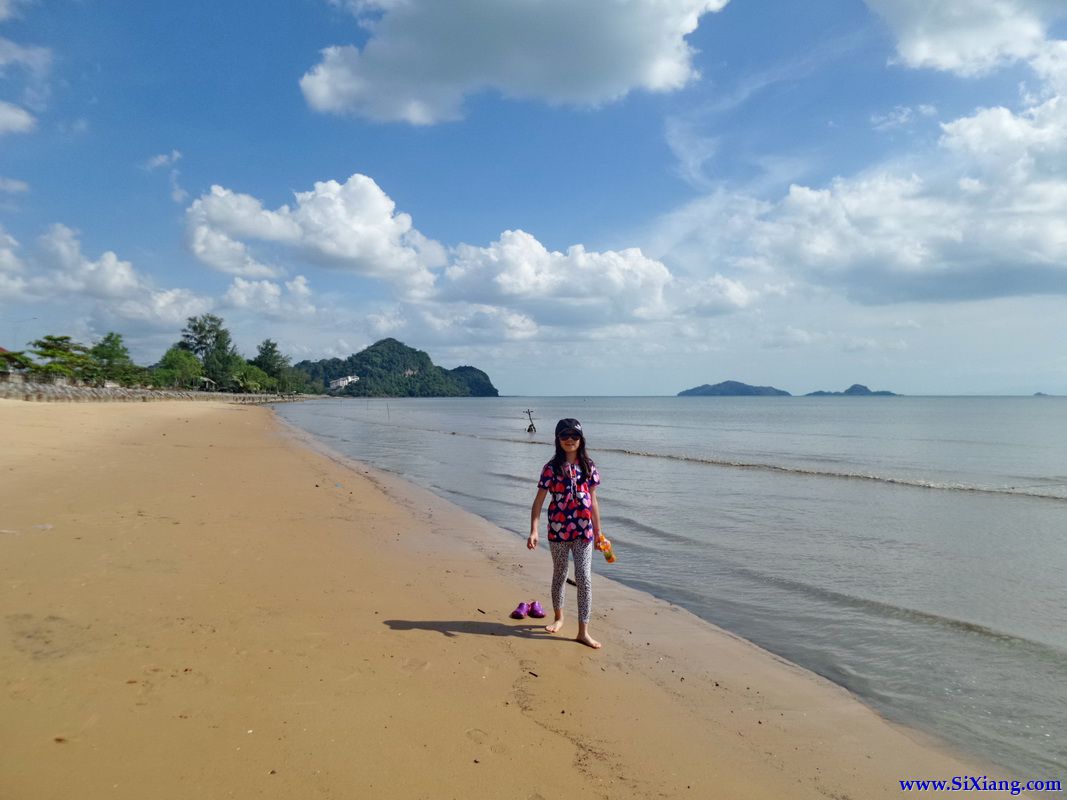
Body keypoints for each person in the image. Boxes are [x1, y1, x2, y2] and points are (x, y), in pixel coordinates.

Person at [527, 418, 603, 649]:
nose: (570, 440)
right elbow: (538, 501)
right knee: (560, 574)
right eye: (564, 436)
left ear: (581, 439)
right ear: (557, 439)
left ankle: (583, 631)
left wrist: (599, 533)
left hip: (584, 532)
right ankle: (559, 618)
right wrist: (533, 530)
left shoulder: (588, 466)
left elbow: (593, 502)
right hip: (558, 532)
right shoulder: (551, 469)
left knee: (584, 578)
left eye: (574, 436)